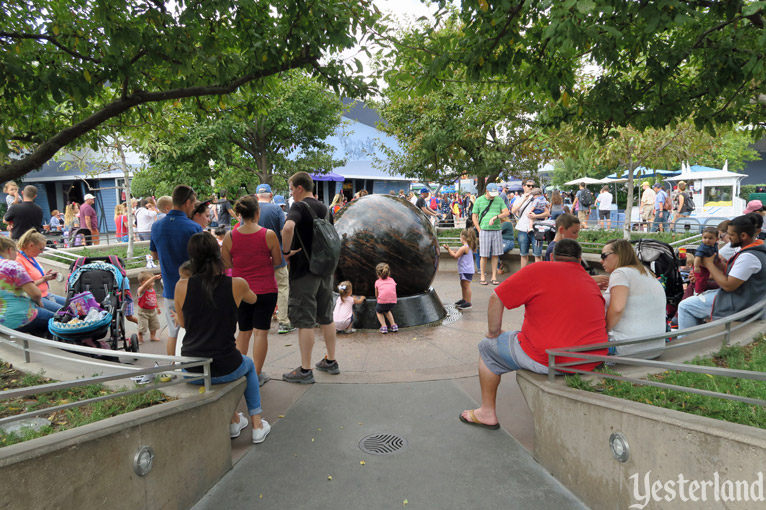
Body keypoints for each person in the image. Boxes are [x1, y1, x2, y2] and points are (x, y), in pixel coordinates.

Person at [458, 239, 608, 429]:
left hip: (551, 359)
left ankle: (486, 412)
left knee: (487, 348)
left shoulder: (539, 269)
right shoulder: (590, 281)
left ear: (552, 256)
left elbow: (497, 297)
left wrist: (493, 333)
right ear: (579, 260)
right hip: (591, 358)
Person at [174, 232, 270, 444]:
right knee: (249, 365)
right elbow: (253, 299)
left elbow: (183, 324)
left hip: (193, 369)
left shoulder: (181, 286)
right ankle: (256, 423)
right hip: (226, 365)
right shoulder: (237, 284)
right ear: (218, 255)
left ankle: (234, 421)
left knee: (236, 363)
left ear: (192, 259)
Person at [280, 172, 340, 384]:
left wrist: (285, 251)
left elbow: (288, 227)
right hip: (325, 271)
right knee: (327, 317)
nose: (291, 193)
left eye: (291, 188)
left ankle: (305, 370)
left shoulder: (298, 207)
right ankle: (331, 361)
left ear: (298, 188)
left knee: (305, 321)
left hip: (304, 273)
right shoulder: (324, 208)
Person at [221, 196, 282, 387]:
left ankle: (238, 372)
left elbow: (226, 263)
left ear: (239, 213)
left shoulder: (230, 236)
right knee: (261, 333)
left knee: (244, 331)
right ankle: (256, 374)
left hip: (239, 290)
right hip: (265, 289)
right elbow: (278, 261)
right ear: (257, 212)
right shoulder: (268, 234)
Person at [677, 215, 766, 330]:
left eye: (731, 235)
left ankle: (688, 345)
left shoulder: (749, 257)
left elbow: (728, 285)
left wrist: (709, 264)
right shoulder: (757, 247)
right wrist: (718, 263)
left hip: (741, 303)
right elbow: (735, 274)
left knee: (685, 306)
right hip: (749, 298)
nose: (728, 237)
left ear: (743, 236)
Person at [150, 185, 203, 356]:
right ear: (187, 202)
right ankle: (196, 367)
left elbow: (154, 255)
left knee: (173, 332)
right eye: (194, 205)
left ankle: (172, 367)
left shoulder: (157, 226)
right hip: (192, 288)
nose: (194, 208)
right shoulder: (193, 228)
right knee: (196, 329)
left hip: (170, 289)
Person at [600, 239, 666, 358]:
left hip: (628, 347)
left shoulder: (620, 273)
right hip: (656, 346)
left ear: (619, 254)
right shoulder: (646, 272)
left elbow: (617, 309)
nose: (601, 261)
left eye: (604, 255)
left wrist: (603, 330)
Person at [255, 184, 294, 335]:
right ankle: (283, 322)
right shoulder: (277, 210)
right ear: (271, 195)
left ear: (256, 195)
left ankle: (259, 320)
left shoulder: (251, 210)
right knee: (283, 287)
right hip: (276, 256)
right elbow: (283, 231)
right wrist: (286, 251)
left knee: (259, 288)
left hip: (257, 258)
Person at [0, 236, 46, 336]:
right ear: (10, 250)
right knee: (57, 320)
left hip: (1, 323)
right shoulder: (12, 266)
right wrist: (38, 301)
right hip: (20, 318)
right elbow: (36, 294)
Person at [15, 228, 65, 313]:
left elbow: (34, 277)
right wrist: (43, 279)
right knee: (65, 312)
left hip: (45, 294)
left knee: (72, 303)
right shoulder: (18, 261)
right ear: (31, 245)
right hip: (36, 297)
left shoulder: (32, 257)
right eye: (41, 249)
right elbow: (26, 286)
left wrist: (46, 276)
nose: (41, 252)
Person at [472, 183, 509, 285]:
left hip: (496, 229)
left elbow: (506, 212)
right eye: (491, 193)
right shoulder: (479, 200)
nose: (493, 195)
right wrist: (479, 230)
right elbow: (474, 216)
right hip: (484, 230)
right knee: (483, 255)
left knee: (495, 255)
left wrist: (496, 217)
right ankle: (482, 276)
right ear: (486, 191)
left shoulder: (499, 200)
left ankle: (493, 276)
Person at [511, 182, 550, 269]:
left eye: (533, 186)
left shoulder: (539, 199)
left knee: (537, 254)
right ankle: (523, 275)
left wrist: (536, 216)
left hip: (537, 229)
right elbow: (513, 211)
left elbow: (547, 213)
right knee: (523, 254)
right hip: (522, 229)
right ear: (523, 187)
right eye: (528, 185)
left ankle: (537, 276)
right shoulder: (519, 199)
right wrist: (524, 199)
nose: (531, 187)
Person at [443, 228, 478, 310]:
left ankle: (468, 302)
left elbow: (455, 256)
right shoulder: (467, 247)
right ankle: (464, 299)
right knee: (463, 285)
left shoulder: (464, 247)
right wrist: (455, 252)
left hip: (466, 270)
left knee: (466, 286)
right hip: (465, 269)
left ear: (463, 237)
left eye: (460, 237)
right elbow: (459, 255)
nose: (460, 239)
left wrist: (448, 249)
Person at [136, 271, 162, 344]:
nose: (153, 283)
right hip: (143, 312)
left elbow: (154, 298)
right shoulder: (141, 290)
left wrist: (157, 307)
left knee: (154, 325)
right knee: (143, 326)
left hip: (152, 311)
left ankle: (152, 336)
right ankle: (140, 336)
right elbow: (145, 286)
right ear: (144, 282)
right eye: (152, 282)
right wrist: (154, 277)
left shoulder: (152, 290)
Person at [692, 227, 719, 295]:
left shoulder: (714, 245)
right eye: (705, 237)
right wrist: (696, 267)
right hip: (701, 267)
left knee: (705, 278)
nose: (707, 240)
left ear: (716, 239)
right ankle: (698, 292)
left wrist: (717, 258)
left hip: (707, 266)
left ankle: (702, 290)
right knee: (701, 279)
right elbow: (697, 257)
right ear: (702, 238)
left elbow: (716, 253)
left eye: (710, 238)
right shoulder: (703, 247)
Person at [374, 262, 398, 333]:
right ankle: (394, 325)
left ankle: (384, 326)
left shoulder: (377, 282)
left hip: (382, 301)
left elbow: (376, 294)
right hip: (393, 301)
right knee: (387, 310)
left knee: (379, 312)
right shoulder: (392, 280)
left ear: (378, 274)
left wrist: (377, 299)